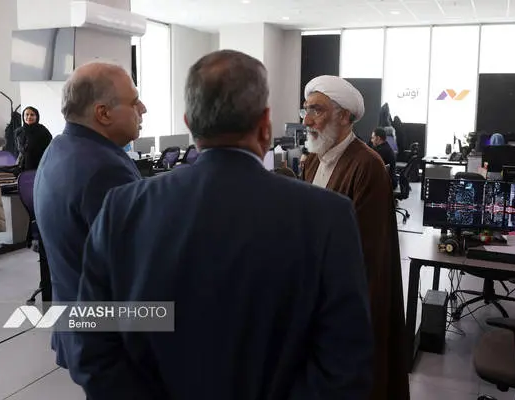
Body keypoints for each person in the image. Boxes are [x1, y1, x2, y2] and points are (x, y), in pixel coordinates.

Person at [69, 50, 374, 399]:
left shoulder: (122, 209)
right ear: (265, 124)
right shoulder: (327, 217)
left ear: (189, 123)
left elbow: (91, 343)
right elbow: (345, 364)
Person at [301, 75, 410, 400]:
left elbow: (366, 258)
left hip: (345, 305)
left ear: (345, 116)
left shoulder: (368, 167)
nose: (307, 120)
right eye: (306, 110)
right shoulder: (313, 162)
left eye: (317, 110)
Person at [34, 61, 146, 370]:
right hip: (110, 339)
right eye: (134, 101)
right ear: (103, 113)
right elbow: (137, 266)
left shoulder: (60, 148)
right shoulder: (105, 170)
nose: (143, 109)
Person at [14, 106, 52, 171]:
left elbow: (49, 150)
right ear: (23, 116)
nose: (29, 117)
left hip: (39, 167)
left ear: (36, 117)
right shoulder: (19, 132)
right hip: (21, 166)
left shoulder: (43, 131)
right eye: (27, 114)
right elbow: (18, 151)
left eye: (32, 115)